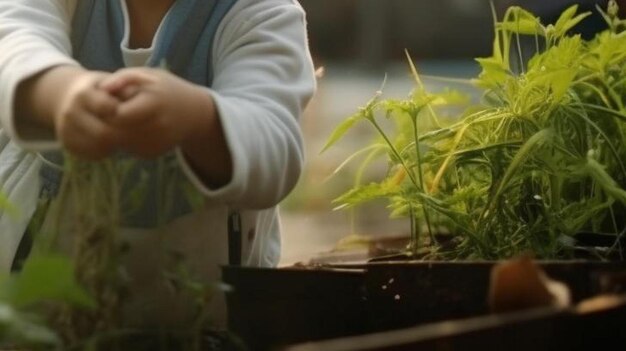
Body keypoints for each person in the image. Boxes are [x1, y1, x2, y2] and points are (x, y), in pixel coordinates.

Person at [0, 0, 316, 328]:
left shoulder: (261, 13)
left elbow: (274, 146)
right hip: (38, 319)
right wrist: (60, 91)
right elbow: (12, 41)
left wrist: (198, 118)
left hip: (198, 324)